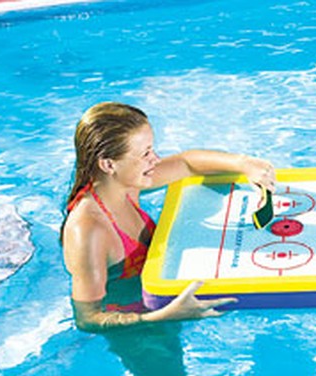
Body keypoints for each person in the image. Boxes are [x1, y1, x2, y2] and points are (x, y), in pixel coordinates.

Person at [61, 101, 276, 332]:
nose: (155, 159)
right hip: (135, 331)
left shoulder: (126, 183)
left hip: (161, 302)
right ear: (108, 164)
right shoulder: (89, 230)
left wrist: (245, 164)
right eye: (145, 153)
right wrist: (163, 316)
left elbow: (186, 164)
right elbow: (88, 318)